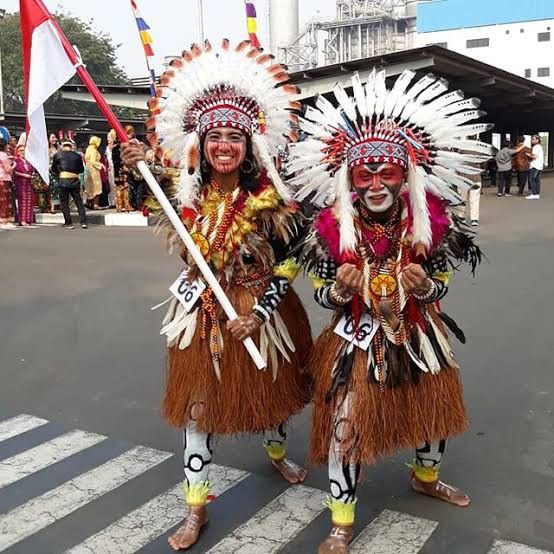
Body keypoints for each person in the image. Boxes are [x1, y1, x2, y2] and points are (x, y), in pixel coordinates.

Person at [121, 39, 312, 551]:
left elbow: (290, 262)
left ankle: (276, 451)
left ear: (251, 145)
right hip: (200, 315)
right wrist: (142, 168)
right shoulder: (182, 193)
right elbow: (158, 201)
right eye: (215, 136)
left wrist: (262, 312)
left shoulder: (274, 200)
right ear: (201, 144)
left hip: (257, 315)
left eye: (235, 136)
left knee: (269, 397)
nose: (224, 145)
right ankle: (196, 508)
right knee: (199, 411)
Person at [289, 69, 488, 553]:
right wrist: (338, 290)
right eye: (365, 174)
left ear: (406, 175)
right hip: (355, 337)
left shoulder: (430, 220)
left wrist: (424, 288)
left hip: (418, 332)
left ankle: (425, 476)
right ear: (350, 180)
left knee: (433, 415)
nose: (376, 183)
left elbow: (442, 277)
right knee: (345, 427)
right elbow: (320, 296)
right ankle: (341, 520)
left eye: (387, 172)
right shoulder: (328, 230)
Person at [51, 140, 87, 229]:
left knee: (64, 202)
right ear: (71, 147)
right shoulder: (77, 156)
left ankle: (68, 223)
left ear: (63, 147)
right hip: (75, 180)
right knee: (78, 201)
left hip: (63, 180)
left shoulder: (58, 155)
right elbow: (81, 170)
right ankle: (83, 222)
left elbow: (53, 169)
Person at [13, 145, 36, 226]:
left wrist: (32, 175)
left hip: (29, 183)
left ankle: (28, 219)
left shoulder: (29, 161)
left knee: (29, 201)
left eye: (24, 150)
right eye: (21, 150)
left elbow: (32, 170)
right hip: (20, 183)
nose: (22, 152)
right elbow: (14, 172)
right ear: (18, 152)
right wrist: (23, 175)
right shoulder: (16, 161)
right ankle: (22, 220)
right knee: (22, 201)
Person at [124, 125, 146, 210]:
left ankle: (137, 204)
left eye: (130, 132)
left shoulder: (133, 142)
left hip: (136, 166)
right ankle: (134, 204)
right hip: (132, 167)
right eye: (128, 133)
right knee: (133, 186)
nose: (130, 134)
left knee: (138, 186)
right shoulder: (128, 142)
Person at [0, 138, 16, 229]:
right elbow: (8, 169)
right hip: (4, 179)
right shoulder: (3, 155)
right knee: (5, 200)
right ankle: (5, 220)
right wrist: (14, 164)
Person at [84, 136, 103, 209]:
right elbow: (92, 161)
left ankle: (91, 204)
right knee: (96, 187)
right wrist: (101, 165)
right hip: (94, 171)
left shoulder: (88, 149)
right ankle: (96, 204)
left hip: (88, 170)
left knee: (90, 187)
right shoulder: (94, 150)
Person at [527, 134, 544, 200]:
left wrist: (528, 154)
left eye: (533, 139)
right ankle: (537, 194)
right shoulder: (539, 146)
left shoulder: (536, 147)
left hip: (535, 166)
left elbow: (534, 156)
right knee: (537, 180)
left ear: (537, 140)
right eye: (532, 139)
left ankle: (534, 194)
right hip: (539, 165)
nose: (532, 140)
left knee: (532, 179)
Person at [48, 133, 61, 211]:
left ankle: (60, 205)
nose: (53, 139)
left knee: (60, 188)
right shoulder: (46, 149)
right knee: (53, 187)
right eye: (52, 137)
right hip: (50, 171)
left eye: (55, 137)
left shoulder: (59, 149)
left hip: (59, 171)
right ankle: (52, 206)